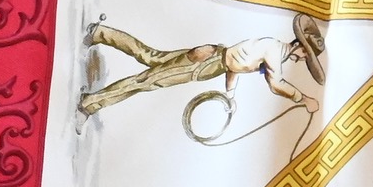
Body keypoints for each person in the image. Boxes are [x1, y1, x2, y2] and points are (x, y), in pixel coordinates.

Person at [79, 13, 325, 129]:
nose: (303, 59)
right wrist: (304, 99)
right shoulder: (274, 52)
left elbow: (235, 65)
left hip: (212, 58)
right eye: (306, 55)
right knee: (146, 81)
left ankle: (100, 33)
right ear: (299, 46)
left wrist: (230, 95)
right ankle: (89, 103)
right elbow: (276, 83)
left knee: (149, 57)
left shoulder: (273, 48)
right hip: (207, 63)